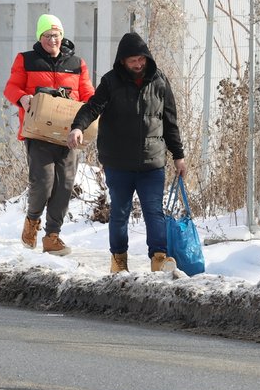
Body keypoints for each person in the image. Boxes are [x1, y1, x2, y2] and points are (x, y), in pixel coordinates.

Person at [68, 32, 186, 273]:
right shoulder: (111, 82)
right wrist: (78, 127)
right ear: (122, 61)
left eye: (141, 59)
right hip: (119, 163)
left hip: (152, 162)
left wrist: (179, 155)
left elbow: (170, 122)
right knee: (120, 213)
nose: (138, 64)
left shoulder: (159, 82)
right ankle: (119, 259)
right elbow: (92, 108)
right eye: (133, 60)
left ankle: (159, 258)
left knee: (154, 212)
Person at [4, 14, 94, 256]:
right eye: (47, 36)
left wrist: (91, 116)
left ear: (62, 36)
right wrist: (22, 98)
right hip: (39, 133)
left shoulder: (77, 63)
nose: (52, 40)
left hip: (69, 135)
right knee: (43, 183)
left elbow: (88, 95)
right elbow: (11, 88)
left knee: (64, 186)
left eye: (56, 35)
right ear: (39, 37)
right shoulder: (26, 60)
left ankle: (52, 236)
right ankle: (32, 221)